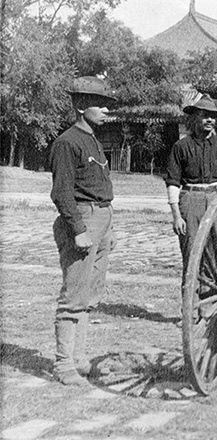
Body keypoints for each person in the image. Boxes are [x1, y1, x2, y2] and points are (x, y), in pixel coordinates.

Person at [49, 76, 117, 385]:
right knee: (73, 294)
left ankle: (79, 358)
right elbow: (62, 193)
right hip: (82, 220)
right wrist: (78, 229)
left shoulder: (93, 139)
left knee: (89, 294)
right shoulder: (67, 142)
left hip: (101, 219)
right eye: (100, 103)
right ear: (79, 106)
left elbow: (100, 186)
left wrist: (108, 229)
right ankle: (63, 365)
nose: (106, 109)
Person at [165, 94, 217, 293]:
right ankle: (191, 307)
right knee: (191, 254)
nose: (209, 120)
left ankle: (212, 305)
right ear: (194, 118)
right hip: (191, 201)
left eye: (213, 116)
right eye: (204, 115)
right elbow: (172, 182)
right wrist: (176, 216)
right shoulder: (181, 147)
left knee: (216, 254)